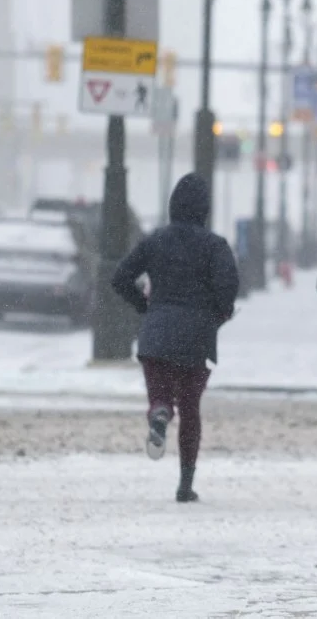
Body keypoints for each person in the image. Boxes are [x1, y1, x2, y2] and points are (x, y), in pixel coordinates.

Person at [112, 173, 239, 503]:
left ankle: (159, 413)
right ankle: (185, 484)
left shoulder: (154, 241)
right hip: (196, 337)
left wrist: (145, 306)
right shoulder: (215, 246)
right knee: (191, 408)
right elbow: (228, 289)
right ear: (204, 210)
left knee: (161, 395)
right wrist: (217, 315)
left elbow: (121, 277)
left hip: (155, 334)